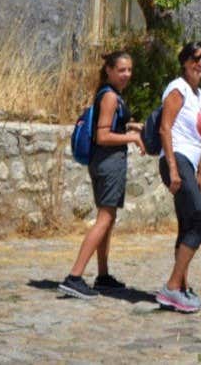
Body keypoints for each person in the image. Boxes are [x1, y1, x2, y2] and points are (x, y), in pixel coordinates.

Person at [59, 51, 144, 299]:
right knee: (104, 219)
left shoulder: (110, 95)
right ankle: (74, 277)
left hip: (105, 163)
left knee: (108, 218)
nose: (126, 74)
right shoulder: (109, 97)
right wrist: (133, 137)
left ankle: (103, 276)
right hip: (109, 163)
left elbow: (109, 127)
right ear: (108, 70)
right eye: (121, 70)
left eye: (129, 70)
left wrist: (130, 126)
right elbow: (102, 136)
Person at [154, 42, 201, 314]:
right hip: (176, 159)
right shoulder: (177, 89)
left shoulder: (197, 94)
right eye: (196, 58)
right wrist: (174, 170)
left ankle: (182, 290)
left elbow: (197, 136)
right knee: (200, 223)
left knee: (187, 224)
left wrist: (200, 170)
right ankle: (171, 287)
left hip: (188, 162)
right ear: (185, 61)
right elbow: (165, 128)